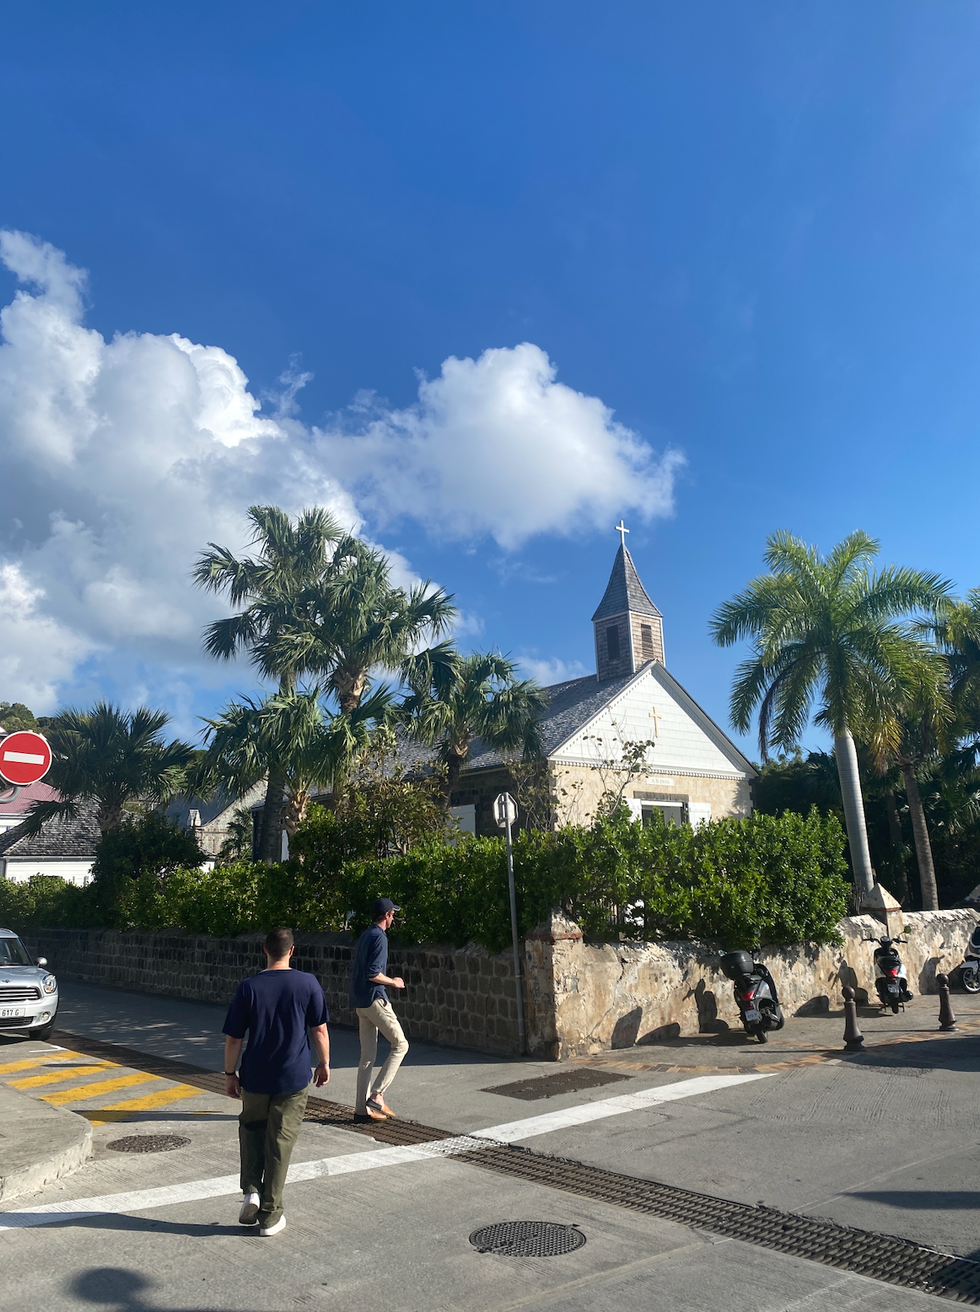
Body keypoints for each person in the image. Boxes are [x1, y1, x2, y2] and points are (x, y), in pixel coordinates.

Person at [223, 927, 330, 1236]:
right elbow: (319, 1030)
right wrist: (323, 1063)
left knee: (253, 1130)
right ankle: (271, 1214)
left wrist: (230, 1075)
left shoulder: (248, 987)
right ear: (292, 951)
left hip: (255, 1075)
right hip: (292, 1077)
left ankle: (251, 1191)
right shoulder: (308, 983)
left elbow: (234, 1038)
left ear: (264, 949)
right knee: (280, 1142)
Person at [349, 896, 409, 1122]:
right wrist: (393, 981)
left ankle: (360, 1110)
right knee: (401, 1044)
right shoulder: (380, 938)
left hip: (360, 1001)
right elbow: (373, 973)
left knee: (367, 1057)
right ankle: (377, 1094)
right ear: (386, 915)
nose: (393, 917)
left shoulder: (366, 935)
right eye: (393, 914)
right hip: (375, 999)